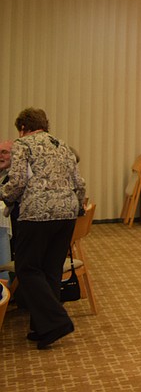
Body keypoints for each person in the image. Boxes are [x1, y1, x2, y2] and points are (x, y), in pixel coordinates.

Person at [0, 108, 86, 349]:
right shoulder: (64, 146)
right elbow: (79, 183)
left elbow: (16, 182)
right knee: (49, 269)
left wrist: (4, 195)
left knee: (27, 268)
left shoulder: (23, 144)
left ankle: (56, 321)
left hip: (37, 213)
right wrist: (77, 206)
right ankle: (43, 327)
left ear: (23, 127)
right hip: (66, 213)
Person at [0, 140, 13, 279]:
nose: (0, 156)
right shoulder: (2, 173)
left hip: (18, 228)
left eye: (4, 152)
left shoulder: (15, 176)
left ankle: (4, 281)